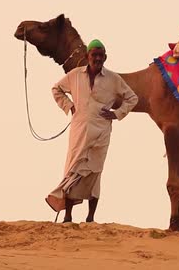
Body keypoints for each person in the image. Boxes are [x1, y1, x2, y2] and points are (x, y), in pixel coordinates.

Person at [46, 39, 138, 223]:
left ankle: (90, 217)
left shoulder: (113, 79)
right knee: (73, 170)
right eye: (94, 55)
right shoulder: (75, 75)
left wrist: (117, 114)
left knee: (95, 172)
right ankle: (68, 216)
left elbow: (132, 98)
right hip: (79, 129)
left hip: (101, 132)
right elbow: (56, 89)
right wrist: (69, 106)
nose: (97, 58)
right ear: (88, 56)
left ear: (105, 57)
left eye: (100, 55)